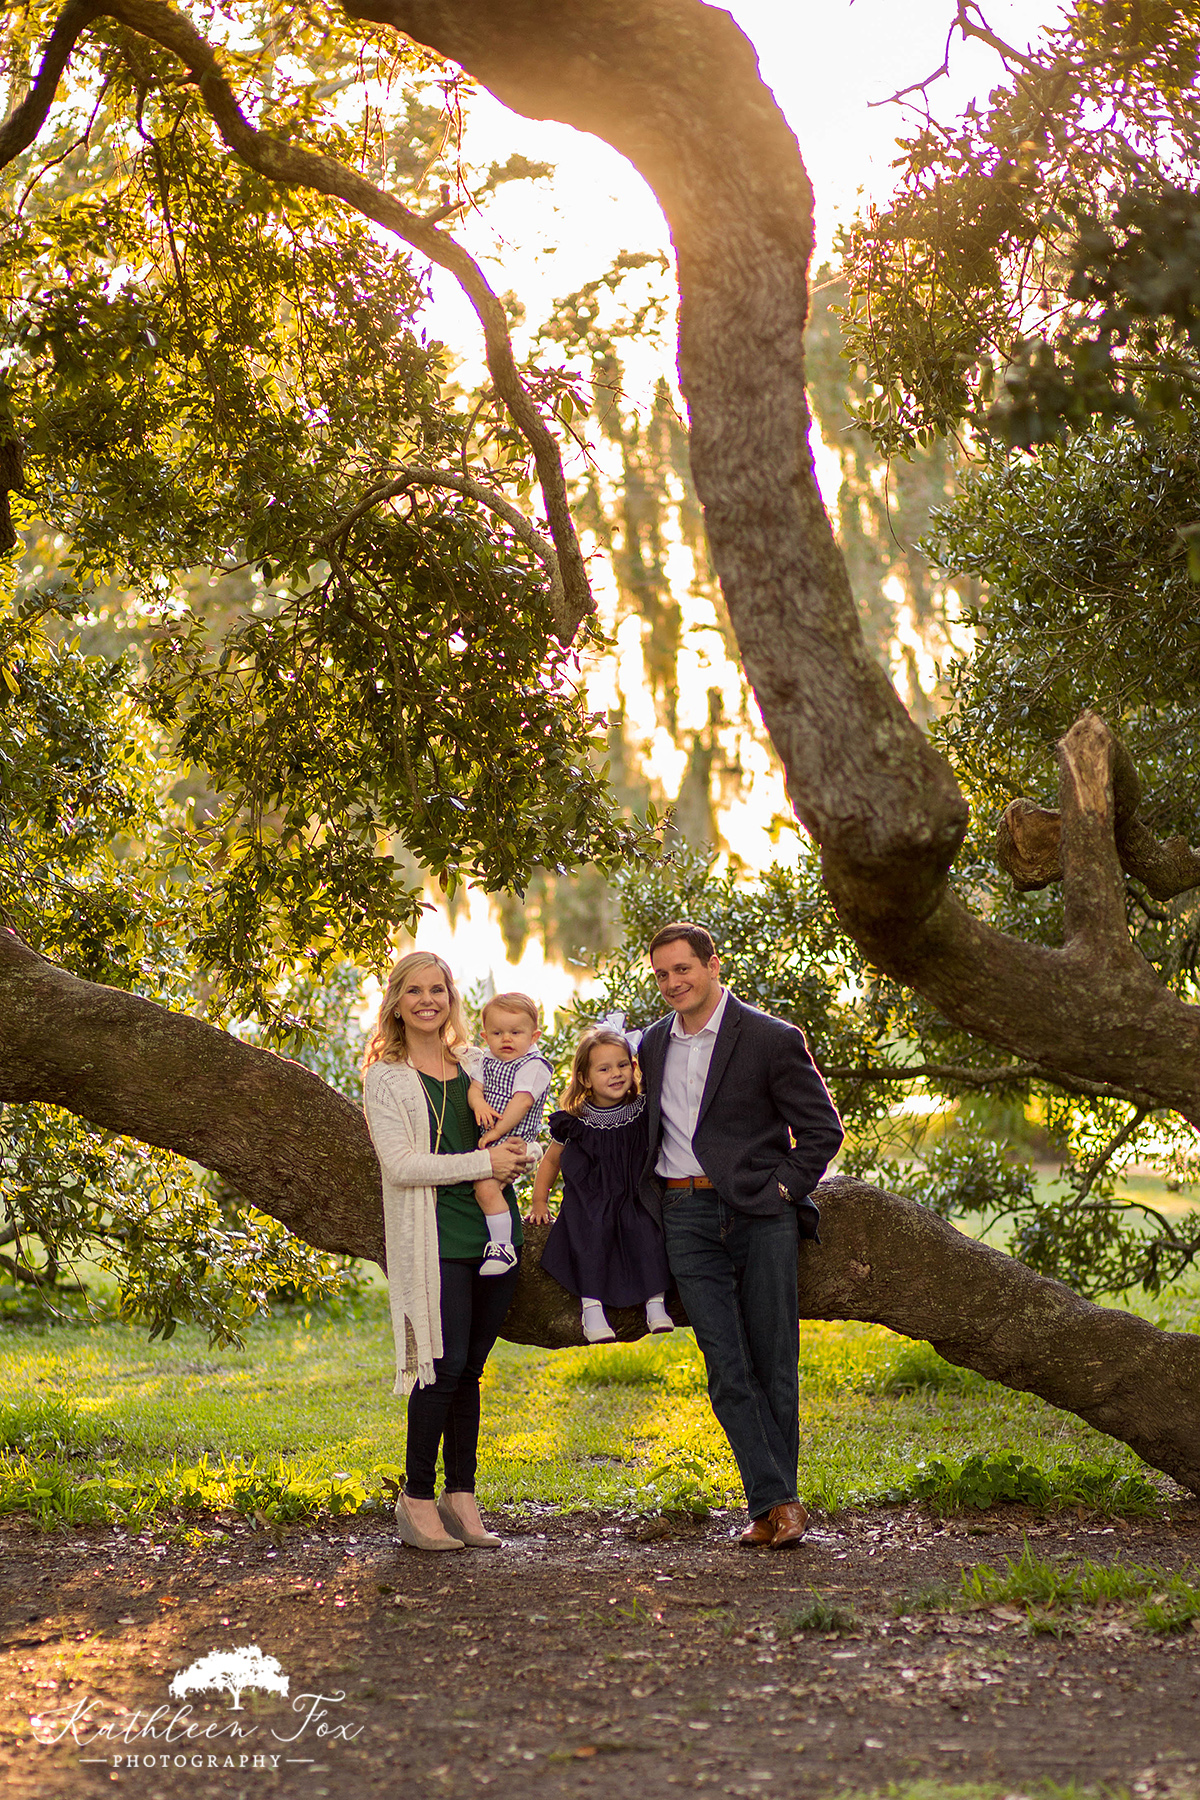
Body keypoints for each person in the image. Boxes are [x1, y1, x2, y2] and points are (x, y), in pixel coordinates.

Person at [637, 922, 844, 1549]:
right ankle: (780, 1504)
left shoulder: (771, 1038)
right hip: (684, 1215)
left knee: (774, 1361)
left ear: (713, 965)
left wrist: (781, 1188)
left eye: (684, 969)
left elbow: (822, 1130)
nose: (674, 982)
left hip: (761, 1216)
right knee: (726, 1365)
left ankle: (771, 1509)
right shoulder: (650, 1044)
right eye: (663, 974)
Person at [362, 952, 528, 1553]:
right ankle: (416, 1499)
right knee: (440, 1367)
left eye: (438, 990)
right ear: (397, 1001)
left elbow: (512, 1131)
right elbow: (401, 1166)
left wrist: (517, 1157)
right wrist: (486, 1162)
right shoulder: (386, 1076)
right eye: (414, 991)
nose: (427, 1001)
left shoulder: (478, 1062)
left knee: (471, 1371)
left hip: (493, 1234)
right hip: (436, 1237)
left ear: (451, 997)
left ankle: (462, 1496)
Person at [530, 1024, 674, 1342]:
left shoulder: (643, 1111)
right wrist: (540, 1200)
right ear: (584, 1078)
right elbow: (551, 1160)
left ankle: (655, 1304)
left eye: (623, 1065)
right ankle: (592, 1310)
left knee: (648, 1232)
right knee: (589, 1237)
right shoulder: (575, 1119)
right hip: (589, 1201)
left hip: (633, 1195)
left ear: (634, 1067)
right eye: (604, 1068)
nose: (616, 1074)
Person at [463, 993, 553, 1277]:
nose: (506, 1039)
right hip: (495, 1141)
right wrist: (479, 1104)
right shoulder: (487, 1059)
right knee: (485, 1188)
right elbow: (475, 1089)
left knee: (486, 1187)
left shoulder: (533, 1065)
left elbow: (522, 1102)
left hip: (513, 1140)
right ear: (484, 1035)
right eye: (497, 1032)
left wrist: (496, 1131)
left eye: (516, 1032)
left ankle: (503, 1247)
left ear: (534, 1035)